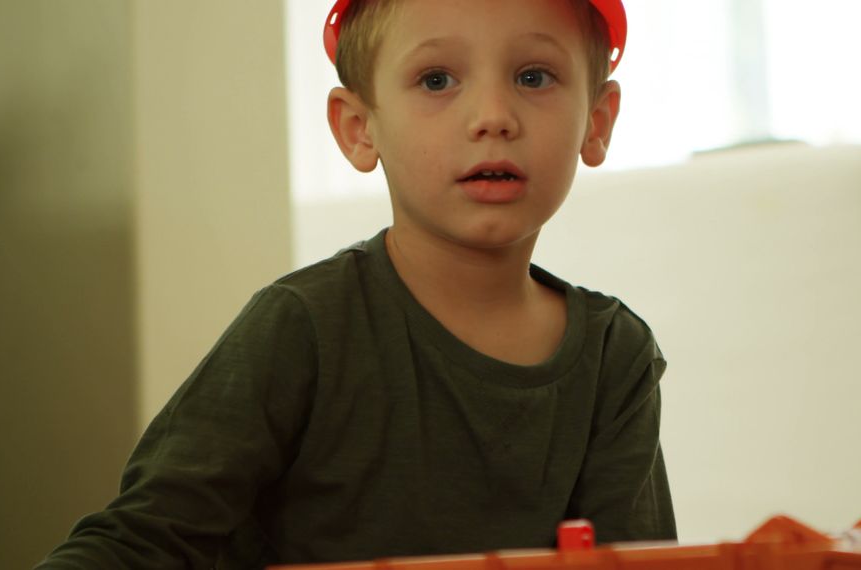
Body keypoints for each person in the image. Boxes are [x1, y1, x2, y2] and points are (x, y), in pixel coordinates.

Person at [37, 0, 676, 567]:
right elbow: (146, 540)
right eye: (437, 80)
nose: (493, 116)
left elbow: (629, 562)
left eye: (533, 77)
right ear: (358, 128)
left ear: (597, 121)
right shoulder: (300, 326)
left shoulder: (614, 355)